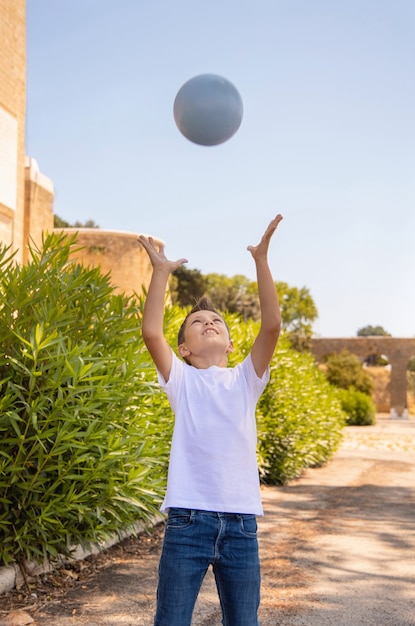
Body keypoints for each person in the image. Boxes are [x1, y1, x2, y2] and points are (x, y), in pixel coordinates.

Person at [138, 214, 283, 626]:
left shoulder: (245, 379)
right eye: (198, 323)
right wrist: (161, 273)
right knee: (171, 620)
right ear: (184, 348)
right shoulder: (180, 380)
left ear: (230, 343)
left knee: (244, 621)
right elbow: (152, 333)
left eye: (216, 321)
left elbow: (271, 325)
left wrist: (261, 261)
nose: (209, 323)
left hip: (240, 526)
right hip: (187, 521)